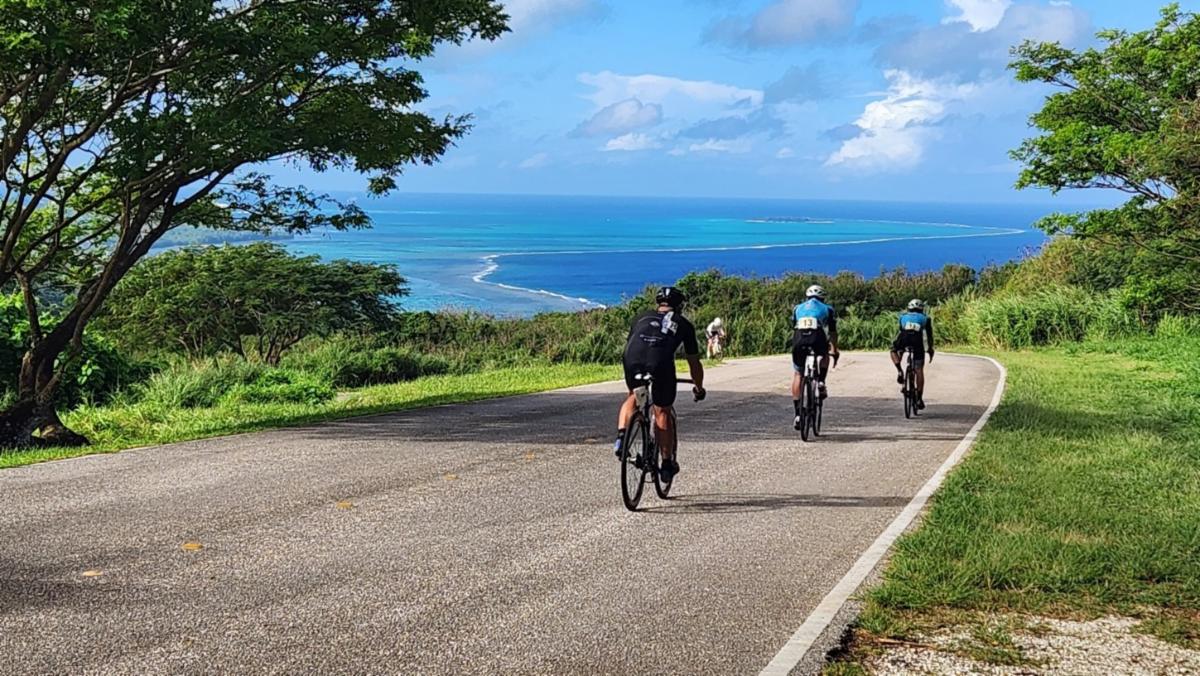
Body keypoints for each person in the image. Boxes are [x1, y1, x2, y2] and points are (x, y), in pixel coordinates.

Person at [615, 286, 706, 483]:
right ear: (679, 306)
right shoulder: (684, 324)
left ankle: (621, 439)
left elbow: (634, 342)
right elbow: (694, 363)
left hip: (632, 358)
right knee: (662, 410)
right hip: (660, 362)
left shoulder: (640, 317)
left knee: (633, 394)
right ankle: (666, 464)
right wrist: (698, 388)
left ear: (658, 304)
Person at [790, 284, 839, 430]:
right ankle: (821, 381)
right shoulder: (828, 308)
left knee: (798, 373)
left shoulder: (797, 308)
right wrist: (834, 349)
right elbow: (832, 332)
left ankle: (798, 414)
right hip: (817, 336)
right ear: (822, 297)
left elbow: (793, 325)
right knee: (825, 354)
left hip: (799, 338)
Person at [890, 298, 935, 410]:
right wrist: (930, 349)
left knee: (894, 351)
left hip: (904, 338)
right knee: (919, 369)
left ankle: (899, 370)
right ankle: (919, 398)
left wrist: (901, 352)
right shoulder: (926, 318)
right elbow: (929, 336)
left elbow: (901, 330)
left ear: (909, 308)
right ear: (921, 309)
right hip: (917, 341)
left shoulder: (902, 317)